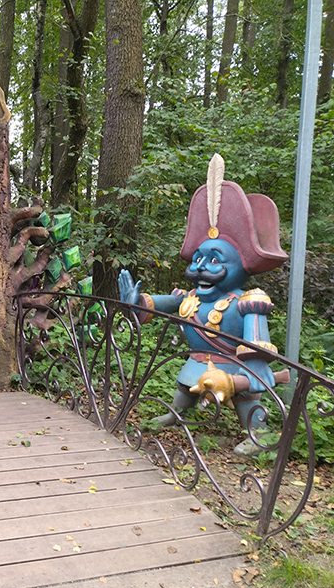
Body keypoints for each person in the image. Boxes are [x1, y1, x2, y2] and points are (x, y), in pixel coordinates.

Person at [118, 154, 287, 458]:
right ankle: (177, 414)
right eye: (197, 259)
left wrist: (248, 376)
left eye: (214, 261)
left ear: (242, 265)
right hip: (197, 361)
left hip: (231, 366)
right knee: (185, 385)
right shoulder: (191, 296)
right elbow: (162, 304)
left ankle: (258, 433)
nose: (200, 268)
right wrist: (137, 302)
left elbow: (258, 350)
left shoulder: (248, 301)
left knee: (246, 399)